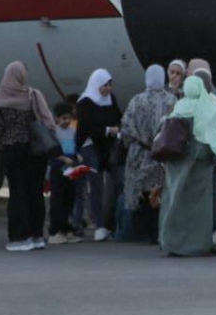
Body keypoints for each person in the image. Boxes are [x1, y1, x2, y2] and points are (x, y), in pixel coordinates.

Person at [0, 61, 56, 252]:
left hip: (12, 150)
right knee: (35, 192)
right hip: (35, 151)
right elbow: (48, 121)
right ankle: (37, 236)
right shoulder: (33, 95)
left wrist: (8, 134)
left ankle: (20, 237)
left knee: (17, 193)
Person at [158, 75, 216, 256]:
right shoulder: (208, 107)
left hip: (176, 163)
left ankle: (170, 242)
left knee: (174, 202)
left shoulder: (178, 107)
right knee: (199, 206)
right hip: (200, 164)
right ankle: (197, 244)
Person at [119, 65, 176, 243]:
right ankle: (159, 231)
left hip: (140, 153)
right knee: (160, 191)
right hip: (162, 154)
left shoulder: (137, 100)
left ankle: (142, 232)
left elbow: (126, 128)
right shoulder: (172, 100)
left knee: (140, 192)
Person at [73, 69, 122, 242]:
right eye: (104, 85)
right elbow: (87, 127)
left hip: (107, 148)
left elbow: (118, 117)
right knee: (96, 186)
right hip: (89, 147)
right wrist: (108, 130)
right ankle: (99, 225)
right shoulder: (85, 102)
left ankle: (113, 224)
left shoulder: (111, 100)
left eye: (110, 84)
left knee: (120, 181)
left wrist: (116, 131)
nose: (108, 89)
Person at [47, 102, 83, 244]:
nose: (66, 121)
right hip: (58, 167)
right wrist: (64, 159)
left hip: (70, 166)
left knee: (70, 198)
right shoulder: (54, 132)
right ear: (56, 118)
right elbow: (52, 152)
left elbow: (72, 147)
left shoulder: (72, 131)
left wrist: (77, 156)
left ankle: (66, 229)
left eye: (69, 118)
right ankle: (55, 231)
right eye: (63, 118)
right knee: (58, 200)